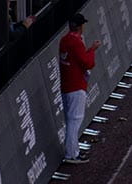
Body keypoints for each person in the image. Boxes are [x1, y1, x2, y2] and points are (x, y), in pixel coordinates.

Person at [59, 13, 99, 164]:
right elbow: (87, 63)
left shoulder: (64, 40)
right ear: (79, 26)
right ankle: (72, 153)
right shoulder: (75, 42)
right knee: (74, 121)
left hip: (67, 85)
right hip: (76, 86)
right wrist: (93, 50)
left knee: (71, 121)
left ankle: (73, 151)